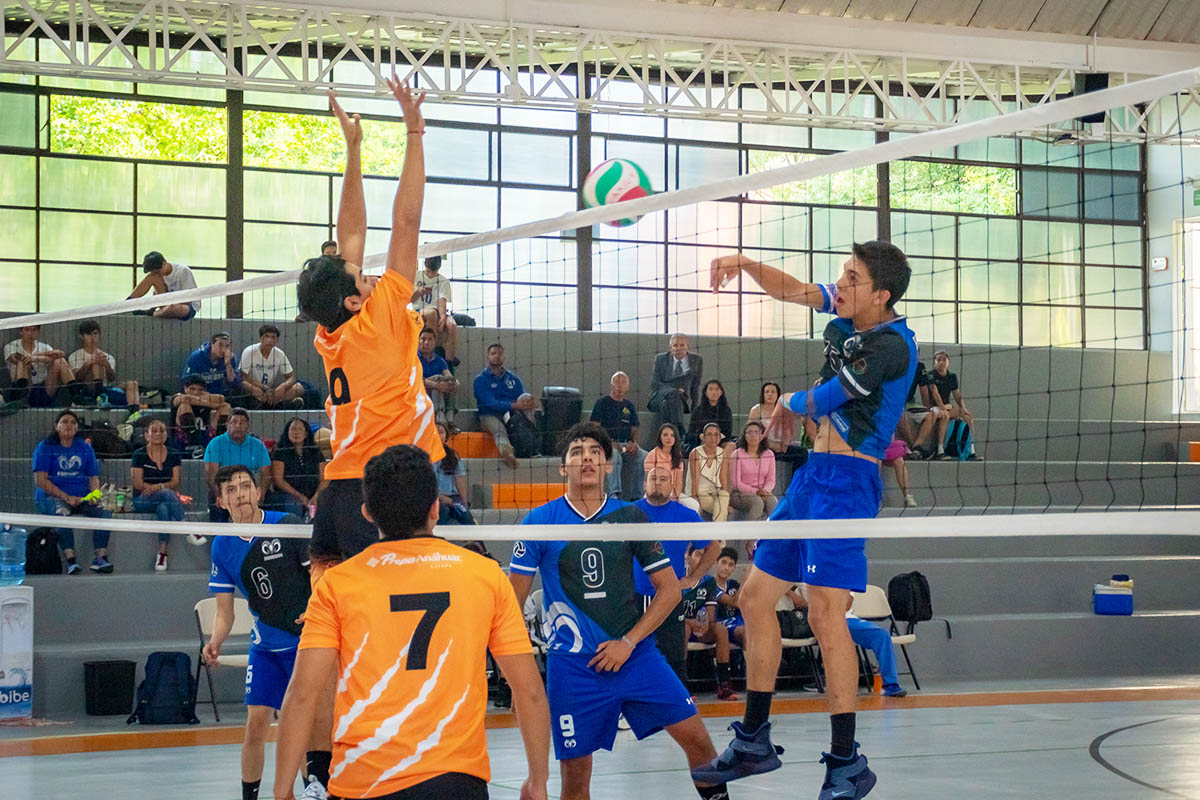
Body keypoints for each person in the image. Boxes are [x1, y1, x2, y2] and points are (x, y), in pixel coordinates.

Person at [695, 241, 916, 800]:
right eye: (842, 273)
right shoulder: (843, 315)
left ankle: (846, 763)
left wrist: (788, 401)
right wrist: (743, 264)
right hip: (811, 478)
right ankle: (754, 740)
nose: (839, 283)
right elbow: (792, 289)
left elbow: (832, 396)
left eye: (853, 277)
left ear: (882, 295)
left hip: (847, 485)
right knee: (752, 598)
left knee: (824, 613)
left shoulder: (892, 346)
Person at [272, 444, 551, 800]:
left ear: (367, 514)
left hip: (364, 781)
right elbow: (528, 691)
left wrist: (281, 792)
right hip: (456, 780)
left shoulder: (336, 585)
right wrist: (537, 780)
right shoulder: (486, 575)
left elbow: (301, 695)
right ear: (435, 509)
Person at [508, 422, 730, 800]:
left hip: (636, 656)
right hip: (574, 667)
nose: (587, 458)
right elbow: (510, 607)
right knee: (576, 776)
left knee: (701, 745)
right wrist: (520, 677)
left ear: (608, 466)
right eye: (577, 452)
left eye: (595, 452)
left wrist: (628, 642)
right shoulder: (539, 523)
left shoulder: (630, 517)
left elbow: (669, 591)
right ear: (563, 468)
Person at [296, 82, 445, 573]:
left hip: (339, 488)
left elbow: (351, 235)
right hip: (381, 489)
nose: (369, 272)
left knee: (331, 613)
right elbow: (407, 224)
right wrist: (416, 130)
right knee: (381, 618)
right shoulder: (377, 319)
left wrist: (354, 149)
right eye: (362, 276)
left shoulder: (330, 333)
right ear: (353, 298)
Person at [202, 465, 319, 800]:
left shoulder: (286, 526)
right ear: (222, 501)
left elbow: (319, 576)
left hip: (304, 641)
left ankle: (312, 788)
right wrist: (215, 642)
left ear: (257, 491)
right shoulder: (222, 546)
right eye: (231, 491)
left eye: (244, 487)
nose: (239, 495)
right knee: (255, 724)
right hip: (265, 645)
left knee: (300, 724)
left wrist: (315, 608)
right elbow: (225, 612)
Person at [632, 466, 719, 688]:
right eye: (653, 478)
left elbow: (714, 547)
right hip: (634, 597)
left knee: (673, 657)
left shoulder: (685, 515)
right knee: (633, 654)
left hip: (670, 596)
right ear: (645, 484)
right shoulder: (630, 513)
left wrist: (694, 578)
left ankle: (678, 710)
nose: (658, 483)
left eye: (663, 479)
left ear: (672, 486)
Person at [32, 410, 113, 574]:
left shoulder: (84, 447)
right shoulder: (45, 447)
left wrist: (94, 495)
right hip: (52, 497)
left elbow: (93, 477)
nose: (69, 425)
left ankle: (100, 558)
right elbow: (40, 480)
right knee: (62, 512)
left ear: (77, 428)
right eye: (65, 421)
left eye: (73, 422)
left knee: (104, 514)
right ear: (56, 426)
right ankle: (71, 560)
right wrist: (65, 497)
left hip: (80, 497)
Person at [131, 418, 198, 571]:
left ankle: (162, 554)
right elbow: (138, 484)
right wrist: (159, 489)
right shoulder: (139, 454)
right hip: (142, 500)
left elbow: (175, 482)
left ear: (166, 435)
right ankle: (187, 528)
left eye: (162, 430)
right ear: (146, 435)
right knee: (167, 493)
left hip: (164, 498)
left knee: (163, 507)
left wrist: (157, 488)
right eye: (154, 430)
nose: (158, 433)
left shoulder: (173, 454)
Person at [681, 545, 738, 701]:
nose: (701, 560)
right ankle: (682, 685)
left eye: (705, 557)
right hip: (680, 627)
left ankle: (724, 684)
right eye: (698, 555)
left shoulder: (709, 582)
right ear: (688, 556)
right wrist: (690, 622)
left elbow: (711, 616)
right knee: (684, 628)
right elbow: (671, 614)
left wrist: (706, 623)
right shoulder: (677, 578)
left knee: (720, 629)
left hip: (700, 629)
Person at [473, 342, 540, 469]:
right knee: (499, 430)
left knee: (529, 415)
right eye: (493, 353)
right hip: (488, 415)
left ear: (504, 357)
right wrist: (514, 405)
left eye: (500, 354)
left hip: (510, 414)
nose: (497, 356)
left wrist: (528, 403)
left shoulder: (513, 379)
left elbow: (521, 397)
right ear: (487, 356)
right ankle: (508, 453)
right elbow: (490, 403)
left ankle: (532, 447)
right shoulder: (480, 380)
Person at [204, 408, 271, 523]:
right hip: (226, 489)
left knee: (273, 501)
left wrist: (261, 495)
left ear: (248, 426)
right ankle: (219, 537)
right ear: (227, 425)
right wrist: (222, 496)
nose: (238, 425)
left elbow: (266, 475)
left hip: (251, 489)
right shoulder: (215, 444)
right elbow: (211, 477)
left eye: (242, 422)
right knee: (215, 501)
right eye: (234, 422)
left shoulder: (258, 445)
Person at [589, 371, 647, 499]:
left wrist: (633, 443)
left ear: (628, 387)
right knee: (614, 456)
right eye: (616, 382)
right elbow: (594, 428)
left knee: (643, 456)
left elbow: (634, 429)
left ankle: (637, 496)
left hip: (625, 444)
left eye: (623, 382)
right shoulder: (602, 403)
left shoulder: (629, 406)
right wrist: (608, 443)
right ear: (611, 385)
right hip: (605, 445)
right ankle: (615, 494)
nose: (619, 385)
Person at [67, 319, 140, 415]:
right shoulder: (75, 356)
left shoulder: (107, 356)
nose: (92, 337)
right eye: (88, 334)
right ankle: (98, 395)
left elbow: (112, 378)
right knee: (96, 363)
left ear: (99, 335)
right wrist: (88, 363)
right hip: (87, 393)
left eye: (95, 333)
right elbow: (76, 378)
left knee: (132, 383)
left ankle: (134, 413)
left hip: (106, 390)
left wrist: (107, 365)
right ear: (82, 337)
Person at [915, 351, 977, 460]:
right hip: (934, 407)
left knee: (968, 417)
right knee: (945, 416)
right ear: (934, 362)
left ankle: (971, 450)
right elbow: (935, 393)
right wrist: (943, 408)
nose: (941, 362)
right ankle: (940, 450)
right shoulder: (930, 375)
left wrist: (963, 408)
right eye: (938, 360)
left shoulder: (952, 376)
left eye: (944, 360)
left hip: (947, 407)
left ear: (948, 362)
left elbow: (957, 395)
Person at [267, 417, 327, 519]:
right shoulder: (280, 451)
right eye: (293, 429)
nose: (296, 432)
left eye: (300, 429)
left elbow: (324, 478)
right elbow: (278, 481)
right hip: (288, 494)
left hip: (313, 493)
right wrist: (299, 496)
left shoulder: (315, 451)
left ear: (306, 433)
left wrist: (316, 496)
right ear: (287, 432)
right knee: (294, 505)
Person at [5, 325, 74, 407]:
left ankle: (76, 395)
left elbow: (60, 354)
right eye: (27, 330)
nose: (30, 333)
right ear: (21, 332)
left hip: (43, 389)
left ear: (38, 332)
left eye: (34, 330)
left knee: (60, 361)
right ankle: (22, 399)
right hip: (23, 389)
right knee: (22, 362)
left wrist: (35, 358)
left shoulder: (43, 346)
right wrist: (46, 355)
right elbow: (16, 357)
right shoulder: (12, 346)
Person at [239, 324, 306, 409]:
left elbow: (291, 377)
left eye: (273, 337)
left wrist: (282, 387)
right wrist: (262, 387)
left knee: (298, 388)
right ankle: (282, 405)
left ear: (276, 340)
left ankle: (271, 403)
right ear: (260, 338)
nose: (269, 340)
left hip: (271, 391)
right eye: (266, 336)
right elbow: (243, 377)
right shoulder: (249, 351)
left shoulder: (279, 354)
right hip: (255, 388)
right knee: (245, 385)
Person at [647, 333, 703, 429]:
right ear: (670, 347)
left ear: (687, 347)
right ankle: (679, 429)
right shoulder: (660, 359)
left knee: (665, 405)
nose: (678, 348)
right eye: (675, 345)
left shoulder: (696, 360)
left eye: (682, 345)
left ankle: (665, 435)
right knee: (672, 394)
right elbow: (655, 384)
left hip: (682, 401)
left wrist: (695, 411)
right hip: (658, 396)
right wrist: (674, 390)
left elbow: (695, 387)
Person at [411, 254, 459, 364]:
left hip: (438, 311)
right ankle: (433, 353)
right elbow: (410, 300)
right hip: (419, 310)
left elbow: (442, 300)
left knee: (452, 325)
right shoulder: (416, 276)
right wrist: (418, 291)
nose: (430, 275)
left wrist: (442, 317)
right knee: (431, 313)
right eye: (428, 272)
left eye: (433, 272)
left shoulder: (443, 281)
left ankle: (449, 361)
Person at [643, 423, 701, 513]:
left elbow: (678, 482)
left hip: (672, 493)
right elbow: (648, 481)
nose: (669, 438)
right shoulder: (652, 455)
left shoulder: (677, 457)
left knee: (694, 505)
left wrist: (676, 496)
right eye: (665, 435)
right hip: (654, 493)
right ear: (660, 437)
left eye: (672, 435)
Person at [728, 421, 778, 521]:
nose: (753, 435)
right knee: (757, 501)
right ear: (745, 435)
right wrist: (756, 492)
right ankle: (751, 536)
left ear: (762, 435)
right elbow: (737, 483)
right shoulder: (737, 454)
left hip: (763, 491)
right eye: (749, 432)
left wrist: (765, 491)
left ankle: (774, 534)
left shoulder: (769, 454)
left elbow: (771, 480)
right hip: (740, 493)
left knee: (773, 501)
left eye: (756, 432)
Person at [128, 251, 200, 319]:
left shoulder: (183, 271)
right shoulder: (156, 276)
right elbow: (157, 297)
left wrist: (168, 301)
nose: (157, 275)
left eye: (158, 272)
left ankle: (151, 313)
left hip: (186, 306)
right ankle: (127, 304)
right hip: (166, 303)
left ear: (164, 263)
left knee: (172, 308)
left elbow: (188, 299)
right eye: (153, 272)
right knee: (151, 278)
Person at [173, 374, 232, 452]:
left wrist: (200, 399)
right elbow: (184, 399)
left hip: (206, 435)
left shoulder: (206, 397)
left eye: (200, 390)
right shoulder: (178, 397)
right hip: (184, 438)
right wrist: (210, 404)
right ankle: (192, 437)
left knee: (225, 406)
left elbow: (221, 398)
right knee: (184, 406)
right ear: (185, 388)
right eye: (192, 389)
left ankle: (222, 437)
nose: (196, 392)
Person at [182, 331, 245, 403]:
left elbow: (234, 383)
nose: (223, 349)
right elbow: (186, 381)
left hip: (222, 395)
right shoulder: (197, 357)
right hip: (200, 394)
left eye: (227, 346)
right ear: (212, 344)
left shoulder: (230, 358)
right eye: (220, 345)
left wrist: (228, 364)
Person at [689, 423, 731, 523]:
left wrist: (727, 501)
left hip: (714, 491)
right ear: (703, 437)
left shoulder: (723, 453)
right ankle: (719, 537)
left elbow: (723, 479)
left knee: (724, 495)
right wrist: (694, 498)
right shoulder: (695, 453)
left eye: (716, 435)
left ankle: (715, 535)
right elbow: (695, 480)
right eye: (710, 434)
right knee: (721, 509)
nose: (713, 438)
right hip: (699, 491)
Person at [435, 421, 473, 525]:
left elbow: (459, 480)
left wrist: (464, 503)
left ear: (446, 436)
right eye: (435, 432)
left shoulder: (453, 456)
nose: (438, 435)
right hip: (434, 498)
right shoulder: (424, 457)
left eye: (441, 432)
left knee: (464, 513)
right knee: (443, 511)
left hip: (453, 497)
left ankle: (476, 541)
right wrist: (441, 497)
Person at [418, 327, 458, 415]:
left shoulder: (439, 360)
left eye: (430, 339)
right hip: (419, 394)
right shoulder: (413, 358)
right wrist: (436, 385)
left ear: (434, 343)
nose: (426, 342)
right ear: (418, 341)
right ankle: (440, 419)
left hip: (437, 393)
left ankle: (449, 419)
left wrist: (453, 382)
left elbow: (448, 374)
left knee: (452, 383)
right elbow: (415, 380)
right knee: (438, 379)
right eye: (423, 339)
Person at [687, 380, 734, 450]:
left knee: (731, 445)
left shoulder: (726, 410)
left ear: (721, 392)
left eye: (717, 389)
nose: (714, 392)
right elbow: (690, 434)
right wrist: (701, 436)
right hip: (702, 442)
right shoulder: (697, 411)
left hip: (720, 442)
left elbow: (728, 434)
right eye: (711, 389)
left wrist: (717, 438)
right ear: (705, 392)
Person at [713, 547, 746, 647]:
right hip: (721, 626)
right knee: (747, 633)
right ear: (716, 562)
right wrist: (748, 576)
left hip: (739, 623)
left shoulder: (734, 584)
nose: (727, 567)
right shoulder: (709, 585)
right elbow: (734, 602)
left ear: (734, 568)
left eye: (731, 564)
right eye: (723, 562)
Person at [749, 382, 790, 453]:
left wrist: (785, 444)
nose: (770, 394)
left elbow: (788, 432)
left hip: (781, 445)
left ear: (778, 395)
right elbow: (752, 433)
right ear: (763, 394)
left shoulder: (784, 410)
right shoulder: (756, 410)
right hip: (763, 445)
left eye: (773, 392)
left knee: (801, 452)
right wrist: (770, 445)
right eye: (767, 392)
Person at [882, 435, 917, 508]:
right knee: (876, 461)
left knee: (899, 460)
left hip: (884, 446)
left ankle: (907, 496)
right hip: (869, 445)